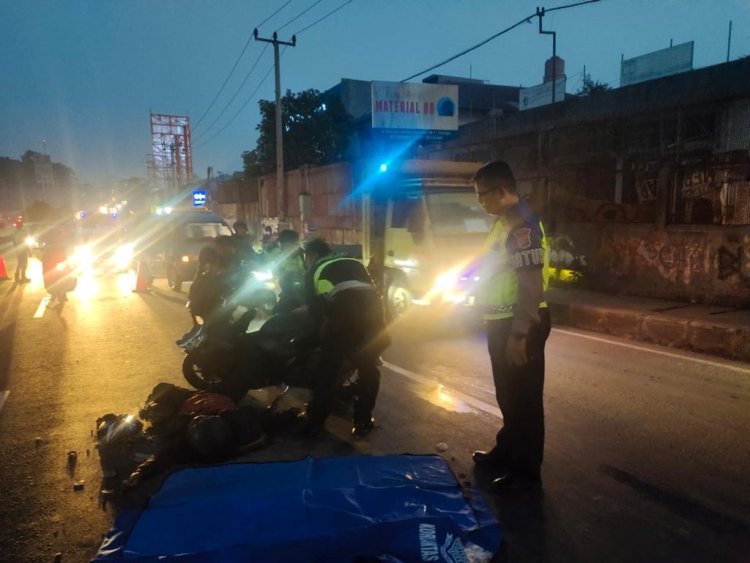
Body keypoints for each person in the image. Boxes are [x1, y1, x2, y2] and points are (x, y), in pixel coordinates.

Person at [471, 159, 551, 491]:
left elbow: (531, 284)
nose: (480, 202)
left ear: (502, 191)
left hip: (520, 324)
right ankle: (506, 450)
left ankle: (525, 472)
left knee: (524, 399)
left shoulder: (523, 226)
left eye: (483, 195)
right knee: (507, 393)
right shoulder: (503, 222)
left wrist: (520, 334)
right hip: (500, 320)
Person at [299, 238, 390, 437]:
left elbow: (314, 311)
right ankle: (363, 422)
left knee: (329, 368)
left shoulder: (314, 269)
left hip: (343, 316)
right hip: (374, 314)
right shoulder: (354, 261)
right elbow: (372, 292)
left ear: (311, 255)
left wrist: (318, 337)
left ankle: (315, 421)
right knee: (369, 366)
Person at [270, 229, 306, 314]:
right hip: (285, 288)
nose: (285, 248)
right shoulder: (276, 253)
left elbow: (304, 269)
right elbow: (272, 267)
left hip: (299, 288)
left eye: (290, 245)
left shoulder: (302, 254)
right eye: (283, 245)